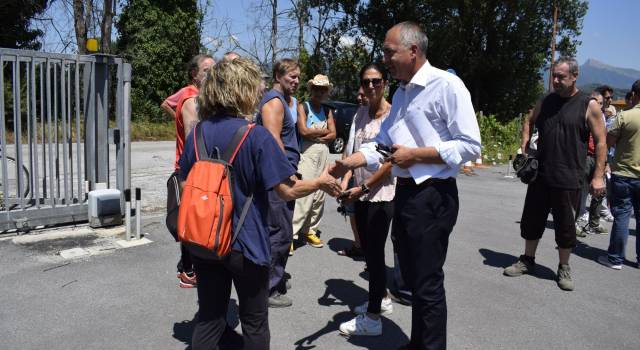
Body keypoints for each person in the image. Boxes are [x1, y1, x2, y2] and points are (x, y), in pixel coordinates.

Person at [330, 22, 481, 349]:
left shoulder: (447, 86)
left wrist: (417, 154)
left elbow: (470, 145)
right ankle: (418, 343)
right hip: (409, 195)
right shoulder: (401, 92)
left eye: (389, 51)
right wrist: (348, 162)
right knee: (413, 279)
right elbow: (383, 144)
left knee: (427, 283)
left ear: (413, 51)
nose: (384, 58)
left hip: (434, 196)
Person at [178, 58, 341, 350]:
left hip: (206, 240)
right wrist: (320, 182)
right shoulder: (256, 136)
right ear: (243, 89)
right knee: (254, 322)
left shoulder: (197, 134)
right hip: (247, 244)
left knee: (210, 319)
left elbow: (184, 182)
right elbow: (287, 190)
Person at [503, 56, 606, 292]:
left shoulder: (588, 104)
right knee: (532, 220)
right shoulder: (546, 100)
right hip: (541, 175)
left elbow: (601, 142)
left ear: (574, 76)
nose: (556, 80)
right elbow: (529, 121)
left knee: (566, 226)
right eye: (554, 76)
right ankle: (527, 259)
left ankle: (563, 266)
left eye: (561, 76)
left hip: (569, 176)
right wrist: (525, 150)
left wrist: (598, 176)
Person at [337, 63, 396, 337]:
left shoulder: (393, 115)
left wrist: (365, 187)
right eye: (366, 81)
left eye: (376, 81)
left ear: (385, 83)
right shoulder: (361, 113)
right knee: (368, 253)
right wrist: (345, 181)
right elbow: (353, 150)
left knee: (374, 252)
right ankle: (381, 299)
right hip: (360, 192)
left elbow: (390, 161)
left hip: (382, 194)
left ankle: (372, 319)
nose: (371, 86)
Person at [163, 53, 214, 288]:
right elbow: (196, 141)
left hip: (196, 168)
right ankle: (189, 270)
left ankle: (188, 266)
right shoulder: (191, 97)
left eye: (214, 69)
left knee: (194, 217)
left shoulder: (201, 97)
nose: (212, 74)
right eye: (206, 70)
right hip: (191, 169)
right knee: (192, 219)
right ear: (194, 74)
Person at [256, 58, 303, 308]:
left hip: (281, 173)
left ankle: (273, 278)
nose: (296, 81)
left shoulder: (281, 101)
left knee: (278, 230)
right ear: (277, 75)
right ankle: (268, 289)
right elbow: (274, 140)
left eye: (297, 77)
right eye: (291, 77)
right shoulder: (274, 102)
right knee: (280, 232)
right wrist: (287, 174)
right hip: (278, 177)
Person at [291, 74, 337, 251]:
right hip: (308, 153)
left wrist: (318, 132)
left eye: (323, 89)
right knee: (304, 192)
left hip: (324, 153)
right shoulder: (304, 106)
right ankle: (291, 235)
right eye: (316, 88)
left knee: (320, 194)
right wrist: (323, 132)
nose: (319, 92)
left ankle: (310, 230)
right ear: (311, 90)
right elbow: (303, 131)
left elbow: (333, 134)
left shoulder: (327, 110)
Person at [598, 80, 640, 270]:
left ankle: (615, 259)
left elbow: (608, 141)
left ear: (634, 94)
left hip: (623, 172)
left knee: (622, 215)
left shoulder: (625, 117)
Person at [338, 86, 367, 258]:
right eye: (358, 93)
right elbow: (350, 145)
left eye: (363, 94)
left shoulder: (381, 117)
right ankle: (359, 244)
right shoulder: (358, 115)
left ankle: (369, 251)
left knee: (367, 215)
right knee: (351, 211)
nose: (359, 97)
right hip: (351, 171)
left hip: (367, 175)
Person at [576, 91, 610, 236]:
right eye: (595, 101)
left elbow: (604, 142)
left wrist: (606, 162)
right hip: (584, 156)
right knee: (579, 193)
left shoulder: (602, 117)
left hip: (598, 158)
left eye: (601, 103)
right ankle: (574, 222)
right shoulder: (584, 114)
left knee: (600, 192)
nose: (598, 105)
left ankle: (593, 223)